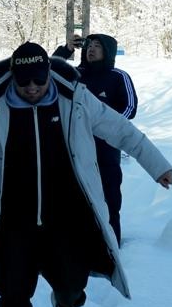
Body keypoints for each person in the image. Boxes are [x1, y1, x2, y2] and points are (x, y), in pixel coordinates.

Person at [0, 41, 172, 307]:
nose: (32, 88)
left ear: (48, 74)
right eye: (24, 82)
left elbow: (121, 130)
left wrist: (159, 166)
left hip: (66, 217)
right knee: (13, 292)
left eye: (39, 81)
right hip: (13, 219)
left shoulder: (75, 98)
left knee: (71, 285)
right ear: (13, 77)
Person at [57, 34, 137, 243]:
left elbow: (130, 108)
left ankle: (111, 244)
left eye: (97, 46)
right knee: (73, 195)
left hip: (106, 147)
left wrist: (107, 127)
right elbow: (47, 72)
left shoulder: (118, 76)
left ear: (108, 51)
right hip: (74, 146)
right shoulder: (74, 74)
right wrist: (66, 50)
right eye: (89, 45)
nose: (91, 49)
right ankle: (77, 245)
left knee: (108, 194)